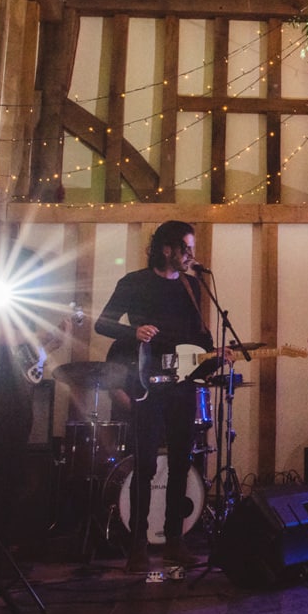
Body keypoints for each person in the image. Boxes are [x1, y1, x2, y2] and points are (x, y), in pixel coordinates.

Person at [95, 220, 212, 571]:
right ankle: (137, 546)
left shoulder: (192, 286)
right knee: (145, 463)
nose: (191, 255)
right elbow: (103, 323)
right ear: (166, 249)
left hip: (182, 386)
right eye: (186, 248)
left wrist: (214, 354)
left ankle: (175, 540)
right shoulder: (134, 283)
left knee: (180, 461)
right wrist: (135, 331)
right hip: (147, 385)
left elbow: (199, 336)